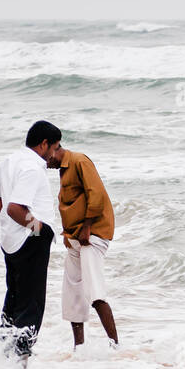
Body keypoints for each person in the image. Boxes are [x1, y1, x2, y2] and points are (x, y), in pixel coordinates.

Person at [0, 121, 61, 360]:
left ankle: (4, 358)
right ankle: (19, 366)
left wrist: (11, 218)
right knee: (31, 306)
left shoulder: (11, 160)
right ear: (44, 144)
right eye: (55, 148)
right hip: (30, 238)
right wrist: (40, 229)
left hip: (11, 239)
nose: (54, 155)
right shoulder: (32, 168)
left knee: (14, 301)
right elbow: (15, 207)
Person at [46, 143, 118, 348]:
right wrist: (69, 234)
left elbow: (97, 195)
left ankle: (115, 346)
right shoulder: (63, 169)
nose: (44, 162)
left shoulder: (79, 161)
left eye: (45, 156)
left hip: (92, 234)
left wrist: (87, 227)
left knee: (94, 292)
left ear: (51, 147)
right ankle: (79, 348)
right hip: (76, 237)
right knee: (72, 295)